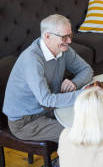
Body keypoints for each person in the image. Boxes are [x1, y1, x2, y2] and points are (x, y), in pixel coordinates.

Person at [3, 14, 93, 142]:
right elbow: (46, 100)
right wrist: (83, 94)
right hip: (25, 122)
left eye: (70, 35)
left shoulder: (63, 49)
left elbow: (86, 70)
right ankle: (73, 160)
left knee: (94, 118)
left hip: (48, 109)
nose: (69, 41)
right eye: (64, 37)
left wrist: (74, 83)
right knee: (79, 133)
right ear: (47, 36)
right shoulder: (33, 59)